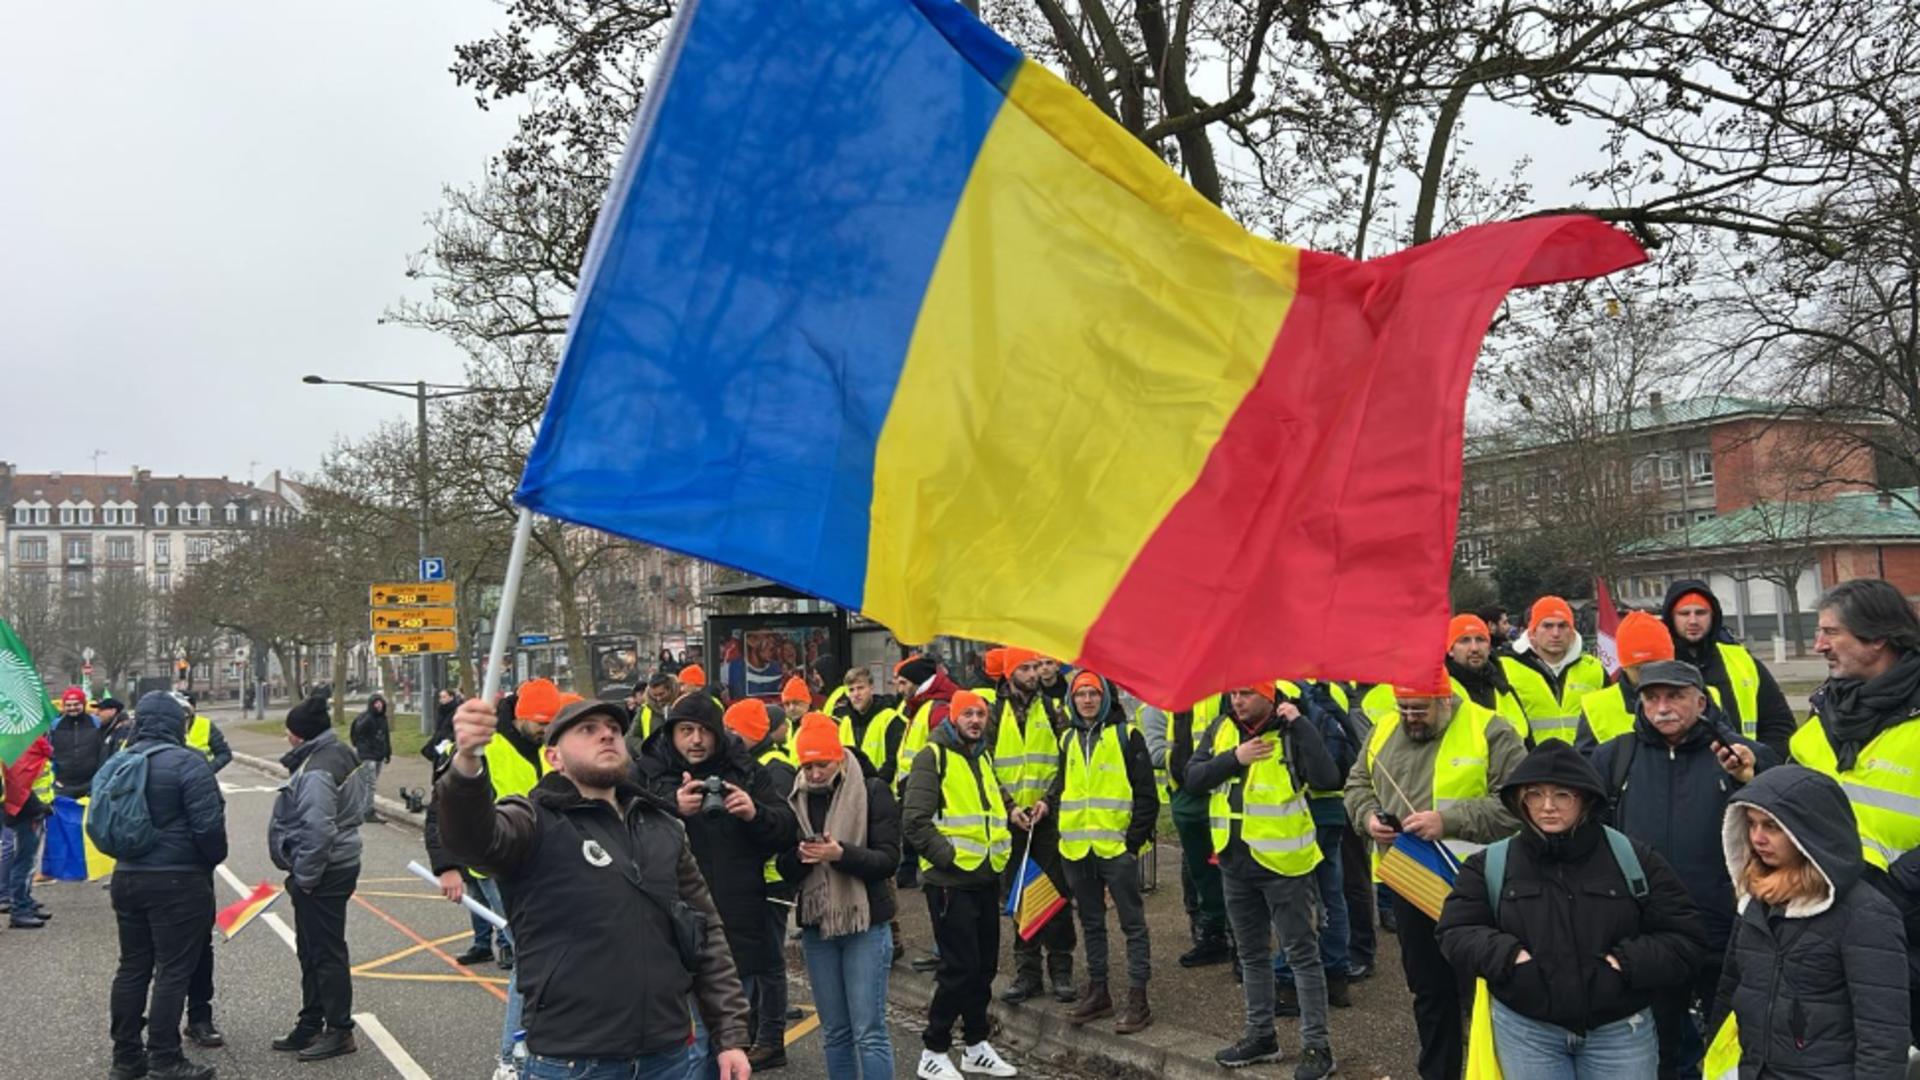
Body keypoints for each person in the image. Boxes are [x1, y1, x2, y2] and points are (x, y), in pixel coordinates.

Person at [437, 695, 753, 1080]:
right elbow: (473, 839)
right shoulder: (532, 820)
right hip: (573, 1061)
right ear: (554, 757)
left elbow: (705, 934)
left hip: (667, 1055)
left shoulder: (663, 826)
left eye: (615, 730)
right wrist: (467, 765)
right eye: (588, 730)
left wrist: (730, 1037)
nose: (606, 735)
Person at [1437, 742, 1708, 1078]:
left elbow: (1686, 937)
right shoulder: (1490, 864)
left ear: (1585, 799)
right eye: (1535, 794)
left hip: (1621, 1030)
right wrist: (1509, 957)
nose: (1547, 806)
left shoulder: (1635, 859)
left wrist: (1628, 963)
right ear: (1520, 800)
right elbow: (1456, 931)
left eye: (1562, 795)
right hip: (1527, 1031)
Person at [1587, 659, 1775, 1078]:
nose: (1662, 707)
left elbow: (1785, 803)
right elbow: (1587, 832)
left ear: (1701, 702)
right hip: (1649, 935)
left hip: (1725, 932)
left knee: (1735, 1048)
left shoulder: (1735, 756)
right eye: (1652, 697)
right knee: (1658, 1052)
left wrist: (1752, 773)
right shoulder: (1615, 758)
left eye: (1675, 696)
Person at [1345, 675, 1528, 1080]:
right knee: (1429, 989)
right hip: (1412, 882)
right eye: (1403, 708)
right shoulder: (1385, 728)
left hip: (1481, 885)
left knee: (1486, 988)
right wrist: (1368, 817)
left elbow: (1519, 804)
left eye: (1419, 710)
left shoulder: (1491, 728)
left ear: (1445, 700)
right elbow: (1357, 783)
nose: (1410, 718)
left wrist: (1448, 821)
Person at [1708, 765, 1911, 1079]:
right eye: (1751, 824)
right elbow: (1731, 989)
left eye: (1772, 826)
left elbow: (1882, 1033)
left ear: (1811, 829)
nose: (1758, 838)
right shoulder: (1755, 898)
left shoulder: (1866, 914)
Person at [635, 690, 797, 1074]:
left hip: (733, 925)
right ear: (671, 733)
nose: (696, 740)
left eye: (704, 731)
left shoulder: (745, 770)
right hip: (665, 927)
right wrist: (672, 810)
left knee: (723, 1044)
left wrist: (755, 814)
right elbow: (623, 839)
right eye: (686, 730)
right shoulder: (645, 772)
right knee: (682, 1043)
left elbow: (787, 830)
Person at [1186, 680, 1341, 1076]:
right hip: (1235, 862)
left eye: (1246, 693)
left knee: (1302, 956)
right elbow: (1193, 777)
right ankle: (1261, 1035)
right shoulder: (1222, 728)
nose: (1237, 701)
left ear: (1269, 696)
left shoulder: (1292, 730)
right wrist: (1235, 757)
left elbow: (1327, 778)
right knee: (1251, 954)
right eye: (1234, 693)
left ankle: (1316, 1048)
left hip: (1284, 865)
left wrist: (1302, 724)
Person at [1793, 577, 1920, 1042]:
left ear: (1878, 638)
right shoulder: (1827, 709)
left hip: (1908, 931)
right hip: (1826, 926)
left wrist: (1890, 891)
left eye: (1831, 632)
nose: (1818, 644)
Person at [900, 689, 1021, 1080]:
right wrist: (948, 857)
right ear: (952, 718)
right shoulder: (932, 757)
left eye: (980, 714)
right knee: (959, 968)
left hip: (985, 876)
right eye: (967, 714)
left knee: (984, 968)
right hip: (951, 881)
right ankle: (934, 1050)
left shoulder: (981, 755)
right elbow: (915, 821)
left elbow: (989, 805)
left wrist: (1013, 814)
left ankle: (975, 1045)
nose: (974, 720)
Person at [108, 692, 228, 1080]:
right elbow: (210, 830)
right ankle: (165, 1058)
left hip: (127, 875)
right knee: (173, 971)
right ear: (178, 723)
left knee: (132, 968)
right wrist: (205, 863)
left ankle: (126, 1058)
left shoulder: (119, 761)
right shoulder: (189, 763)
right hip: (178, 878)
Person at [777, 714, 901, 1079]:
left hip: (865, 923)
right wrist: (800, 856)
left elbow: (888, 860)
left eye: (823, 764)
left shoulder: (873, 789)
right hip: (818, 927)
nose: (814, 773)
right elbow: (784, 868)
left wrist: (841, 855)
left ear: (840, 757)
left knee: (869, 1031)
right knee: (835, 1032)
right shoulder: (795, 797)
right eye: (808, 765)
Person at [1045, 672, 1159, 1033]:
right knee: (1091, 923)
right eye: (1081, 694)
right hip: (1077, 849)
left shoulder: (1127, 736)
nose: (1088, 700)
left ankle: (1138, 998)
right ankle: (1099, 991)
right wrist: (1048, 807)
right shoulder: (1067, 739)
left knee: (1133, 925)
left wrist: (1131, 846)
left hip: (1115, 848)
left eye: (1095, 693)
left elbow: (1147, 797)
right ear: (1072, 700)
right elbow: (1063, 786)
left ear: (1106, 697)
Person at [266, 693, 375, 1061]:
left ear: (298, 735)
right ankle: (312, 1021)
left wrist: (306, 877)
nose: (285, 736)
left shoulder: (316, 770)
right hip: (339, 863)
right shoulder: (339, 752)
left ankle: (339, 1030)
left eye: (288, 730)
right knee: (312, 949)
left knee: (324, 952)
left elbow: (318, 830)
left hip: (324, 871)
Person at [991, 647, 1076, 1005]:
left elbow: (1064, 762)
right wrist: (1009, 807)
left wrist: (1048, 802)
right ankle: (1028, 973)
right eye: (1024, 668)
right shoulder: (994, 714)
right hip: (1012, 822)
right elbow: (986, 766)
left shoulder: (1053, 710)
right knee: (1021, 897)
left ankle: (1061, 971)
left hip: (1045, 818)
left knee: (1055, 894)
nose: (1032, 673)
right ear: (1010, 673)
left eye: (1034, 666)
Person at [1272, 679, 1362, 1010]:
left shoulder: (1282, 692)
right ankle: (1337, 976)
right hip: (1332, 809)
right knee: (1332, 895)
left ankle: (1288, 982)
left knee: (1294, 898)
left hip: (1304, 810)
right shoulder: (1328, 693)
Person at [725, 696, 799, 1069]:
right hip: (755, 878)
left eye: (734, 731)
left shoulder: (772, 769)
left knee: (768, 964)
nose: (727, 737)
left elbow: (782, 826)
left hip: (771, 878)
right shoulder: (754, 764)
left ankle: (770, 1039)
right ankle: (757, 1033)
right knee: (752, 962)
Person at [1661, 580, 1797, 757]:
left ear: (1714, 615)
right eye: (1684, 613)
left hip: (1742, 775)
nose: (1693, 620)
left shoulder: (1742, 660)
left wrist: (1760, 762)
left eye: (1701, 612)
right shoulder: (1659, 665)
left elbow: (1779, 723)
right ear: (1671, 617)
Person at [1160, 690, 1235, 968]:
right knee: (1201, 872)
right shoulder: (1179, 687)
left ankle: (1239, 942)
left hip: (1215, 789)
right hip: (1184, 793)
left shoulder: (1223, 688)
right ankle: (1213, 937)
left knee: (1230, 868)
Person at [1501, 595, 1609, 746]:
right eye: (1547, 626)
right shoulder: (1506, 668)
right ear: (1533, 632)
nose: (1556, 634)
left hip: (1583, 765)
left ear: (1572, 632)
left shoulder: (1593, 668)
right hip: (1531, 765)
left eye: (1563, 626)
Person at [1576, 611, 1678, 747]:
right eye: (1639, 669)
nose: (1651, 676)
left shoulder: (1701, 696)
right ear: (1624, 666)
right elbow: (1585, 764)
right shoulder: (1596, 707)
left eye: (1658, 666)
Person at [1444, 614, 1529, 740]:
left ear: (1489, 647)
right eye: (1464, 641)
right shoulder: (1442, 690)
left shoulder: (1502, 687)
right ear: (1450, 650)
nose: (1474, 648)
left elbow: (1526, 738)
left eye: (1480, 640)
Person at [2, 731, 53, 927]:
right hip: (23, 812)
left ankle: (25, 901)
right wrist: (38, 807)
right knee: (22, 862)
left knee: (28, 861)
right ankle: (19, 908)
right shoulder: (19, 746)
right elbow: (18, 784)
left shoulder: (31, 744)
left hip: (31, 810)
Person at [832, 668, 904, 788]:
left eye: (860, 688)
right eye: (851, 690)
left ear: (871, 688)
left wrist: (874, 787)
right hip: (853, 794)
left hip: (883, 793)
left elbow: (893, 762)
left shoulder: (889, 718)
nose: (856, 694)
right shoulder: (845, 723)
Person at [49, 686, 107, 798]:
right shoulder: (55, 725)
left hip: (91, 783)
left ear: (83, 704)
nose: (72, 708)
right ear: (64, 706)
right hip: (62, 784)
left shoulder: (96, 723)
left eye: (76, 704)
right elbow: (49, 753)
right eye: (68, 705)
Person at [349, 693, 393, 822]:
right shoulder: (366, 719)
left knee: (368, 783)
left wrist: (387, 752)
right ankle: (367, 811)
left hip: (378, 754)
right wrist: (363, 748)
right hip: (367, 755)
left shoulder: (383, 718)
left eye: (380, 703)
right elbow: (356, 734)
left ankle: (361, 808)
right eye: (376, 703)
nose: (379, 705)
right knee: (370, 783)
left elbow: (385, 737)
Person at [179, 693, 232, 775]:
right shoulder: (167, 725)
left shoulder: (205, 724)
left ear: (194, 707)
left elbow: (224, 753)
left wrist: (209, 769)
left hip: (201, 778)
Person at [625, 672, 676, 752]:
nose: (658, 699)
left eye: (661, 694)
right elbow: (631, 737)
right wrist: (647, 752)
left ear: (670, 689)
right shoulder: (645, 710)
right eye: (655, 695)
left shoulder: (681, 705)